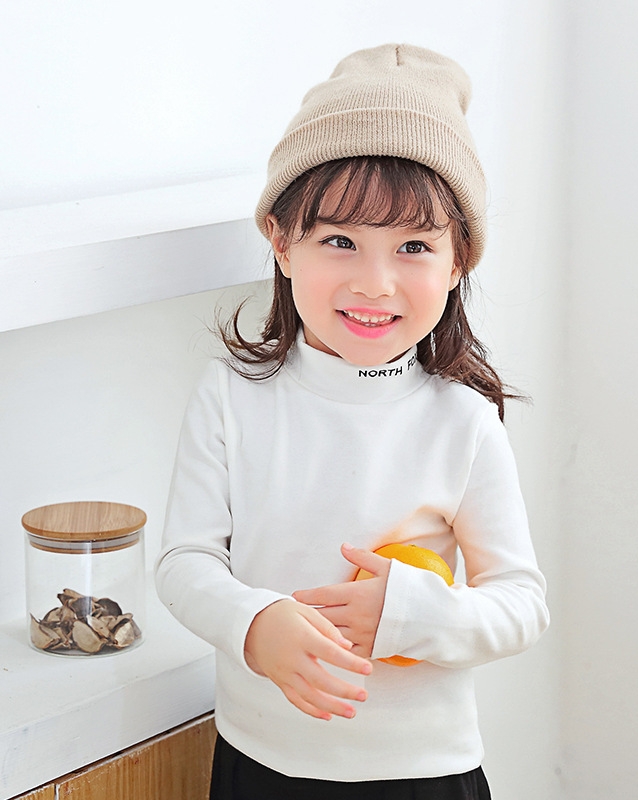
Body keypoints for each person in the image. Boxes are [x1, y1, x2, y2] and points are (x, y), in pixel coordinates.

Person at [155, 43, 549, 800]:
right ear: (281, 241)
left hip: (423, 773)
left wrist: (409, 614)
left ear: (459, 261)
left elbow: (521, 604)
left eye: (414, 247)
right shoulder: (231, 396)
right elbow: (185, 562)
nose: (375, 282)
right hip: (259, 762)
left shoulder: (463, 422)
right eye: (340, 240)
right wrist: (255, 624)